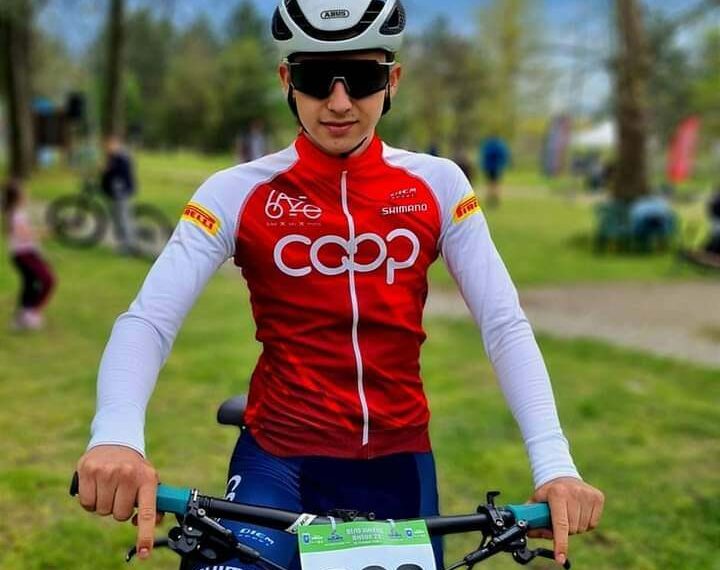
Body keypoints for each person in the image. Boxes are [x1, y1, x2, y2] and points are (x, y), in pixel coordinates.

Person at [74, 2, 604, 569]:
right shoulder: (234, 192)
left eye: (362, 77)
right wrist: (117, 436)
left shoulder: (439, 184)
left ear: (393, 80)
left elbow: (503, 323)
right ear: (286, 79)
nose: (339, 101)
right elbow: (149, 320)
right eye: (316, 77)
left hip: (398, 462)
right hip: (277, 460)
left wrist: (555, 465)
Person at [1, 179, 56, 330]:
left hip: (26, 254)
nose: (27, 195)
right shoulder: (16, 215)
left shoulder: (16, 213)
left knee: (30, 283)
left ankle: (24, 314)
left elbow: (26, 235)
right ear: (17, 197)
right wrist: (45, 232)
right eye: (24, 193)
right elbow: (25, 235)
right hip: (24, 255)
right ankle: (31, 313)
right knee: (48, 280)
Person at [100, 136, 137, 254]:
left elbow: (121, 174)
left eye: (111, 145)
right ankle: (122, 243)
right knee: (117, 219)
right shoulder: (112, 157)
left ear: (116, 144)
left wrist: (107, 169)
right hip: (113, 193)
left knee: (123, 219)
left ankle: (128, 245)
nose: (108, 147)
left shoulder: (121, 157)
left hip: (121, 192)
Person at [479, 135, 510, 207]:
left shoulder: (488, 145)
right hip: (496, 167)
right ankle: (495, 198)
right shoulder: (499, 145)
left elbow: (483, 156)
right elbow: (503, 156)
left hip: (488, 167)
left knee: (490, 184)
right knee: (495, 184)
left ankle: (490, 198)